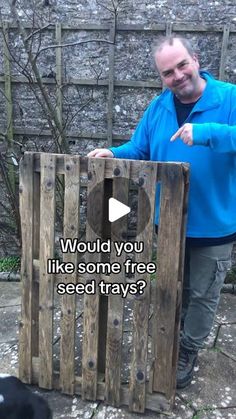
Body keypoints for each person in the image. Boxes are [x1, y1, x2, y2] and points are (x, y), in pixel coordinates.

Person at [87, 36, 236, 389]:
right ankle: (176, 332)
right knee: (172, 288)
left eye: (182, 65)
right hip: (167, 223)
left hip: (213, 224)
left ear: (196, 60)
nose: (178, 75)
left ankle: (187, 349)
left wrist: (207, 133)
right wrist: (112, 151)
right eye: (168, 72)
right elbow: (140, 148)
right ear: (162, 77)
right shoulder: (159, 107)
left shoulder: (229, 98)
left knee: (203, 294)